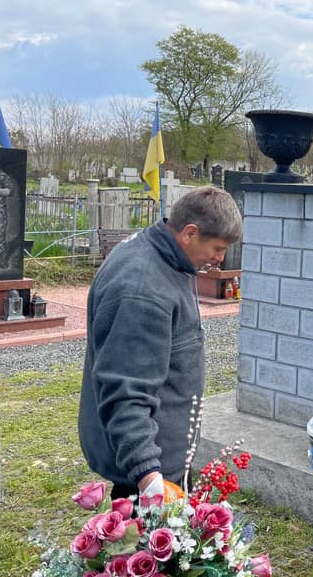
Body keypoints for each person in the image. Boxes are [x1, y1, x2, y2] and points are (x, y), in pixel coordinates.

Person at [78, 185, 242, 500]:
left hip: (161, 463)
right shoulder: (142, 290)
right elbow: (126, 392)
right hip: (148, 479)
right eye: (218, 248)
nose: (220, 259)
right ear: (190, 233)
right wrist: (148, 478)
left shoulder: (165, 255)